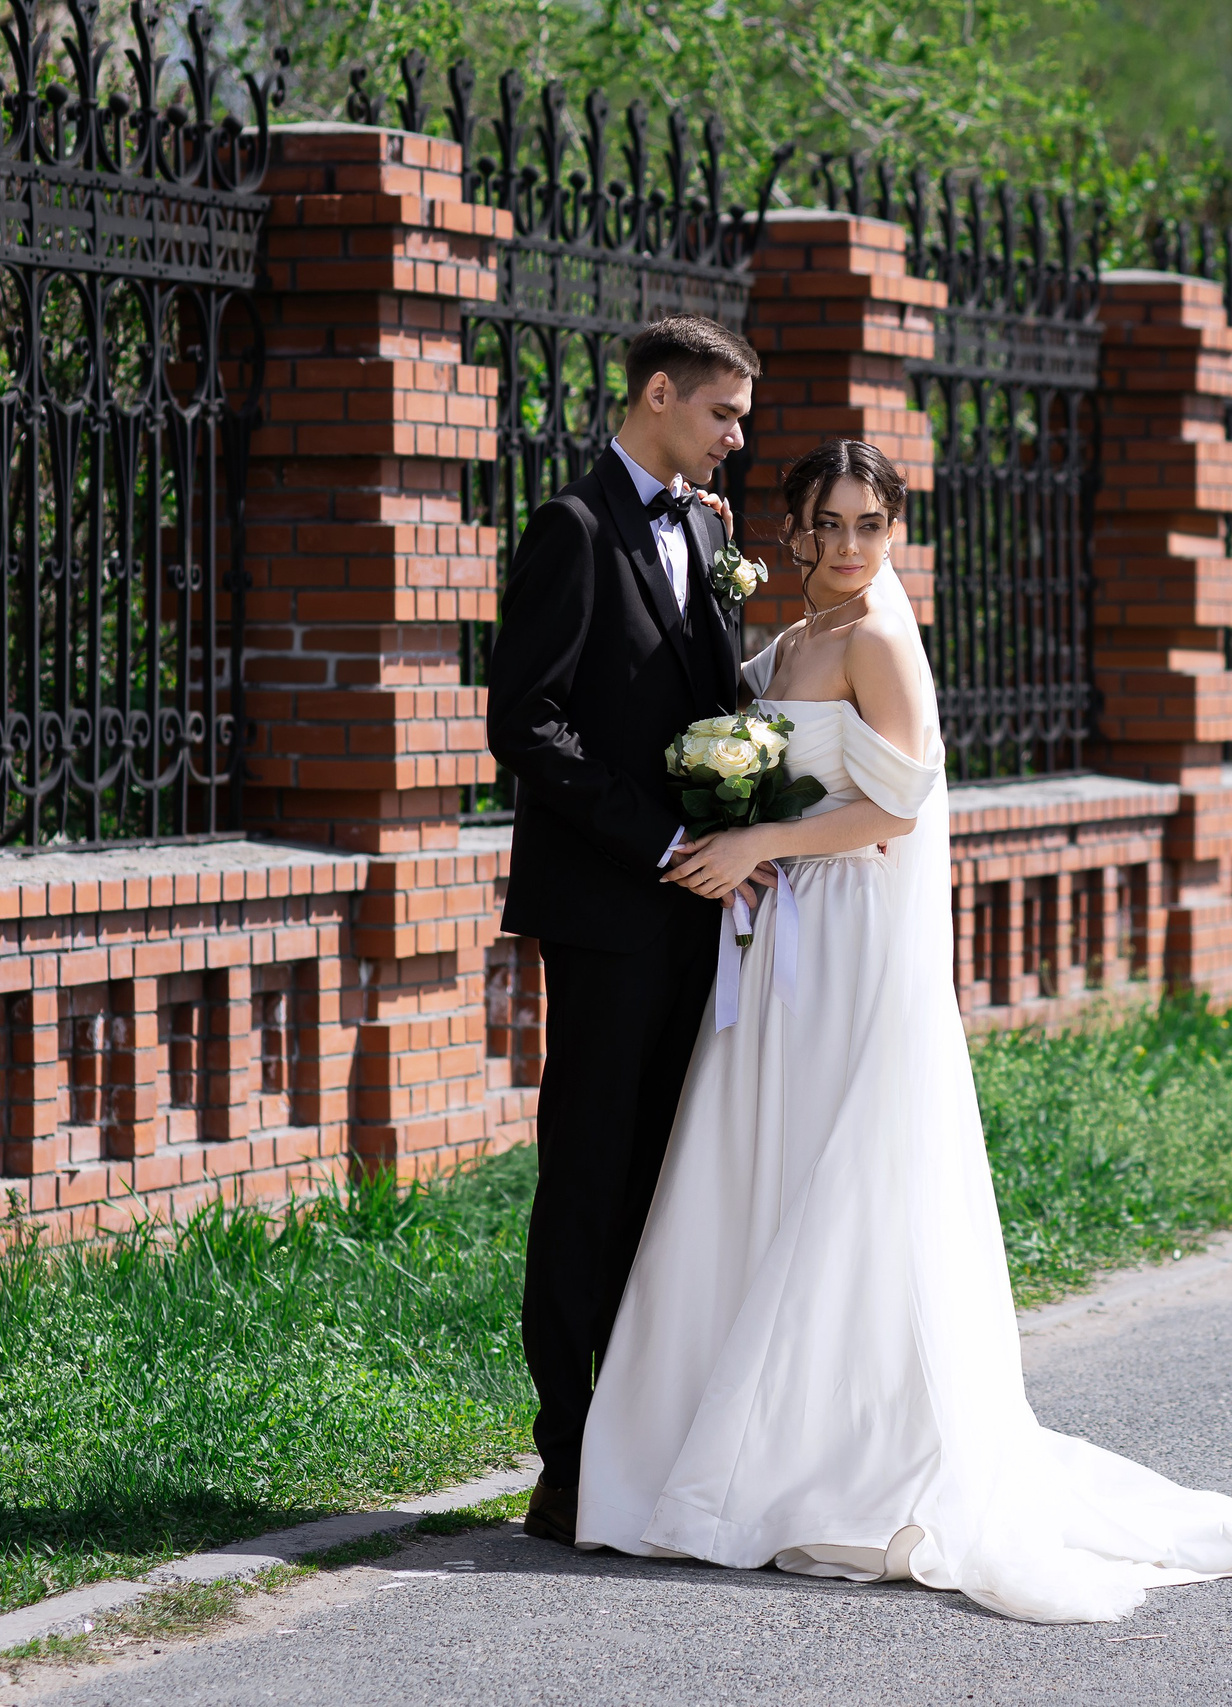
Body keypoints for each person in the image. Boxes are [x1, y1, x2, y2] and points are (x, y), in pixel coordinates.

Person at [574, 439, 1232, 1624]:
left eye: (866, 525)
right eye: (824, 524)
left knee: (839, 1173)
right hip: (781, 935)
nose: (843, 547)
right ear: (792, 527)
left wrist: (756, 844)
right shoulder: (790, 637)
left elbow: (901, 802)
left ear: (895, 531)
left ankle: (835, 1458)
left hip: (845, 940)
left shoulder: (880, 634)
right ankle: (758, 1439)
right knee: (758, 1170)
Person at [484, 315, 760, 1547]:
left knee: (670, 1174)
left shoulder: (708, 529)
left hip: (703, 912)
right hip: (605, 914)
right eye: (722, 414)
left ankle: (652, 1442)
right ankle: (567, 1460)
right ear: (659, 394)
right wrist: (655, 841)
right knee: (589, 1178)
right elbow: (526, 726)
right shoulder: (576, 529)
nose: (736, 438)